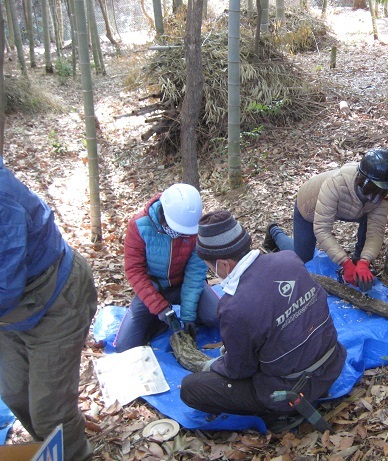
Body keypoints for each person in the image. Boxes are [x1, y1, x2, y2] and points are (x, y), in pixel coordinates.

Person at [180, 210, 347, 431]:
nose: (213, 273)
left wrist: (215, 364)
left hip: (293, 390)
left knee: (190, 388)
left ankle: (277, 414)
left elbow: (240, 370)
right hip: (332, 365)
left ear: (223, 265)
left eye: (210, 267)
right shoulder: (289, 259)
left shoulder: (233, 307)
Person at [0, 158, 98, 461]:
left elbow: (7, 283)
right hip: (11, 316)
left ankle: (73, 454)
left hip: (56, 297)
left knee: (49, 411)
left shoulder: (3, 203)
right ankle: (50, 450)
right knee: (14, 391)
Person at [264, 148, 388, 292]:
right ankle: (274, 231)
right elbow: (322, 229)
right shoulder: (336, 184)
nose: (381, 196)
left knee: (369, 224)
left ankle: (358, 260)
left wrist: (365, 261)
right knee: (303, 260)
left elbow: (376, 232)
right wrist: (344, 263)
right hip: (310, 206)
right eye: (378, 190)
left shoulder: (381, 194)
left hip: (351, 210)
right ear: (365, 182)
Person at [114, 183, 219, 352]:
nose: (181, 234)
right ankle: (157, 322)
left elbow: (195, 272)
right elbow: (135, 271)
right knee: (125, 347)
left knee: (216, 315)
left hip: (183, 284)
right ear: (163, 215)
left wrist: (188, 316)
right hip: (153, 288)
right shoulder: (139, 225)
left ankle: (188, 317)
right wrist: (160, 308)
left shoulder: (194, 227)